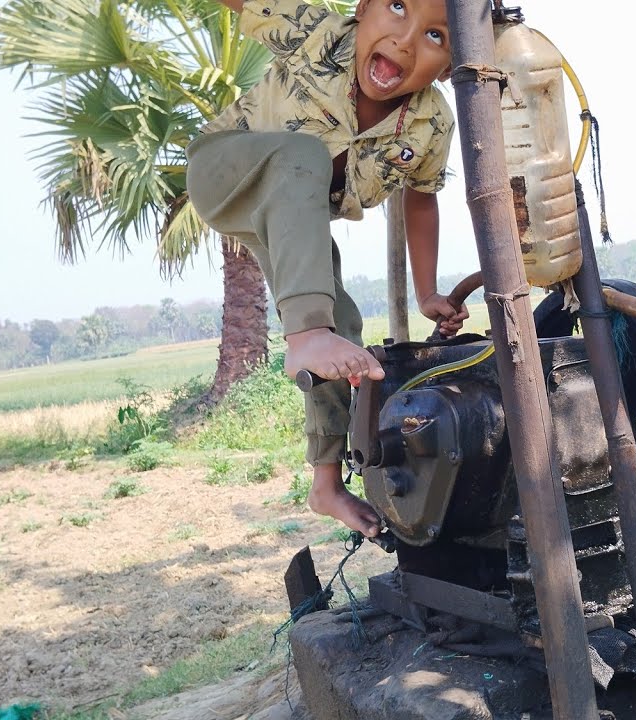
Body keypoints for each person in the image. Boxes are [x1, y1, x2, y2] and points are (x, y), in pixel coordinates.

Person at [186, 0, 468, 538]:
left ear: (450, 67)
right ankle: (308, 333)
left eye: (435, 36)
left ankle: (326, 482)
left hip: (290, 215)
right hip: (223, 171)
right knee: (304, 156)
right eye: (397, 7)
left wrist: (427, 291)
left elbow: (421, 198)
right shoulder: (318, 31)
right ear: (362, 10)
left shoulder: (432, 124)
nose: (406, 40)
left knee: (344, 328)